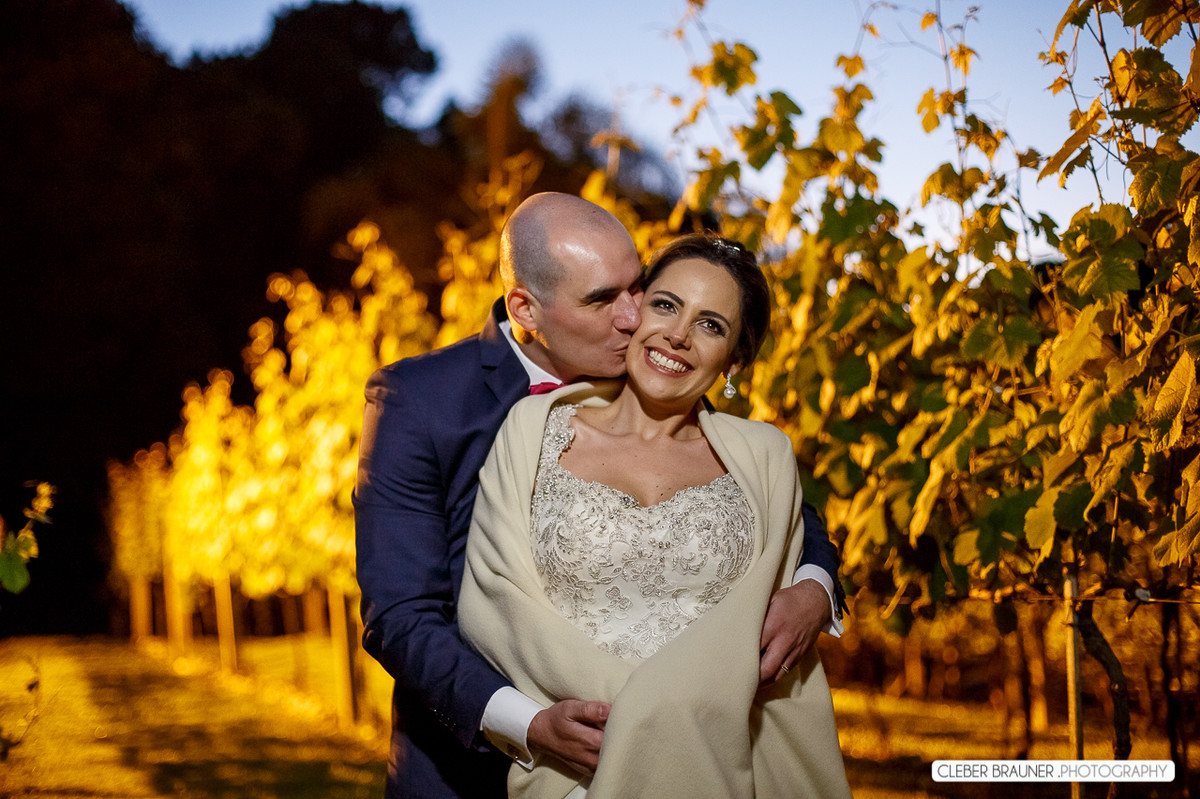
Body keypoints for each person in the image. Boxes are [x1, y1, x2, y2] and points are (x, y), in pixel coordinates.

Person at [354, 194, 843, 798]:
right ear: (525, 308)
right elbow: (400, 615)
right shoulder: (421, 399)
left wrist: (815, 588)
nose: (635, 315)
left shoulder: (654, 368)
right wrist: (526, 724)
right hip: (471, 769)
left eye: (637, 288)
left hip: (692, 754)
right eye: (602, 300)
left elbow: (773, 503)